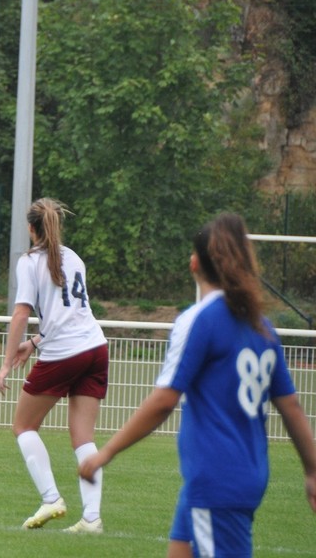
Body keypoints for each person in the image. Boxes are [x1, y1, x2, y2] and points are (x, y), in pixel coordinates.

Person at [78, 213, 316, 556]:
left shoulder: (201, 320)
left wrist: (105, 453)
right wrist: (311, 470)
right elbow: (290, 405)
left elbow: (164, 400)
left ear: (194, 263)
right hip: (237, 474)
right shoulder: (262, 327)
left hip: (217, 478)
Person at [0, 198, 108, 533]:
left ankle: (51, 498)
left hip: (65, 352)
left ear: (31, 229)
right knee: (83, 437)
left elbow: (21, 313)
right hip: (96, 348)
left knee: (23, 426)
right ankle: (91, 518)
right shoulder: (73, 257)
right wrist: (33, 343)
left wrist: (5, 364)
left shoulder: (29, 261)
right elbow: (67, 313)